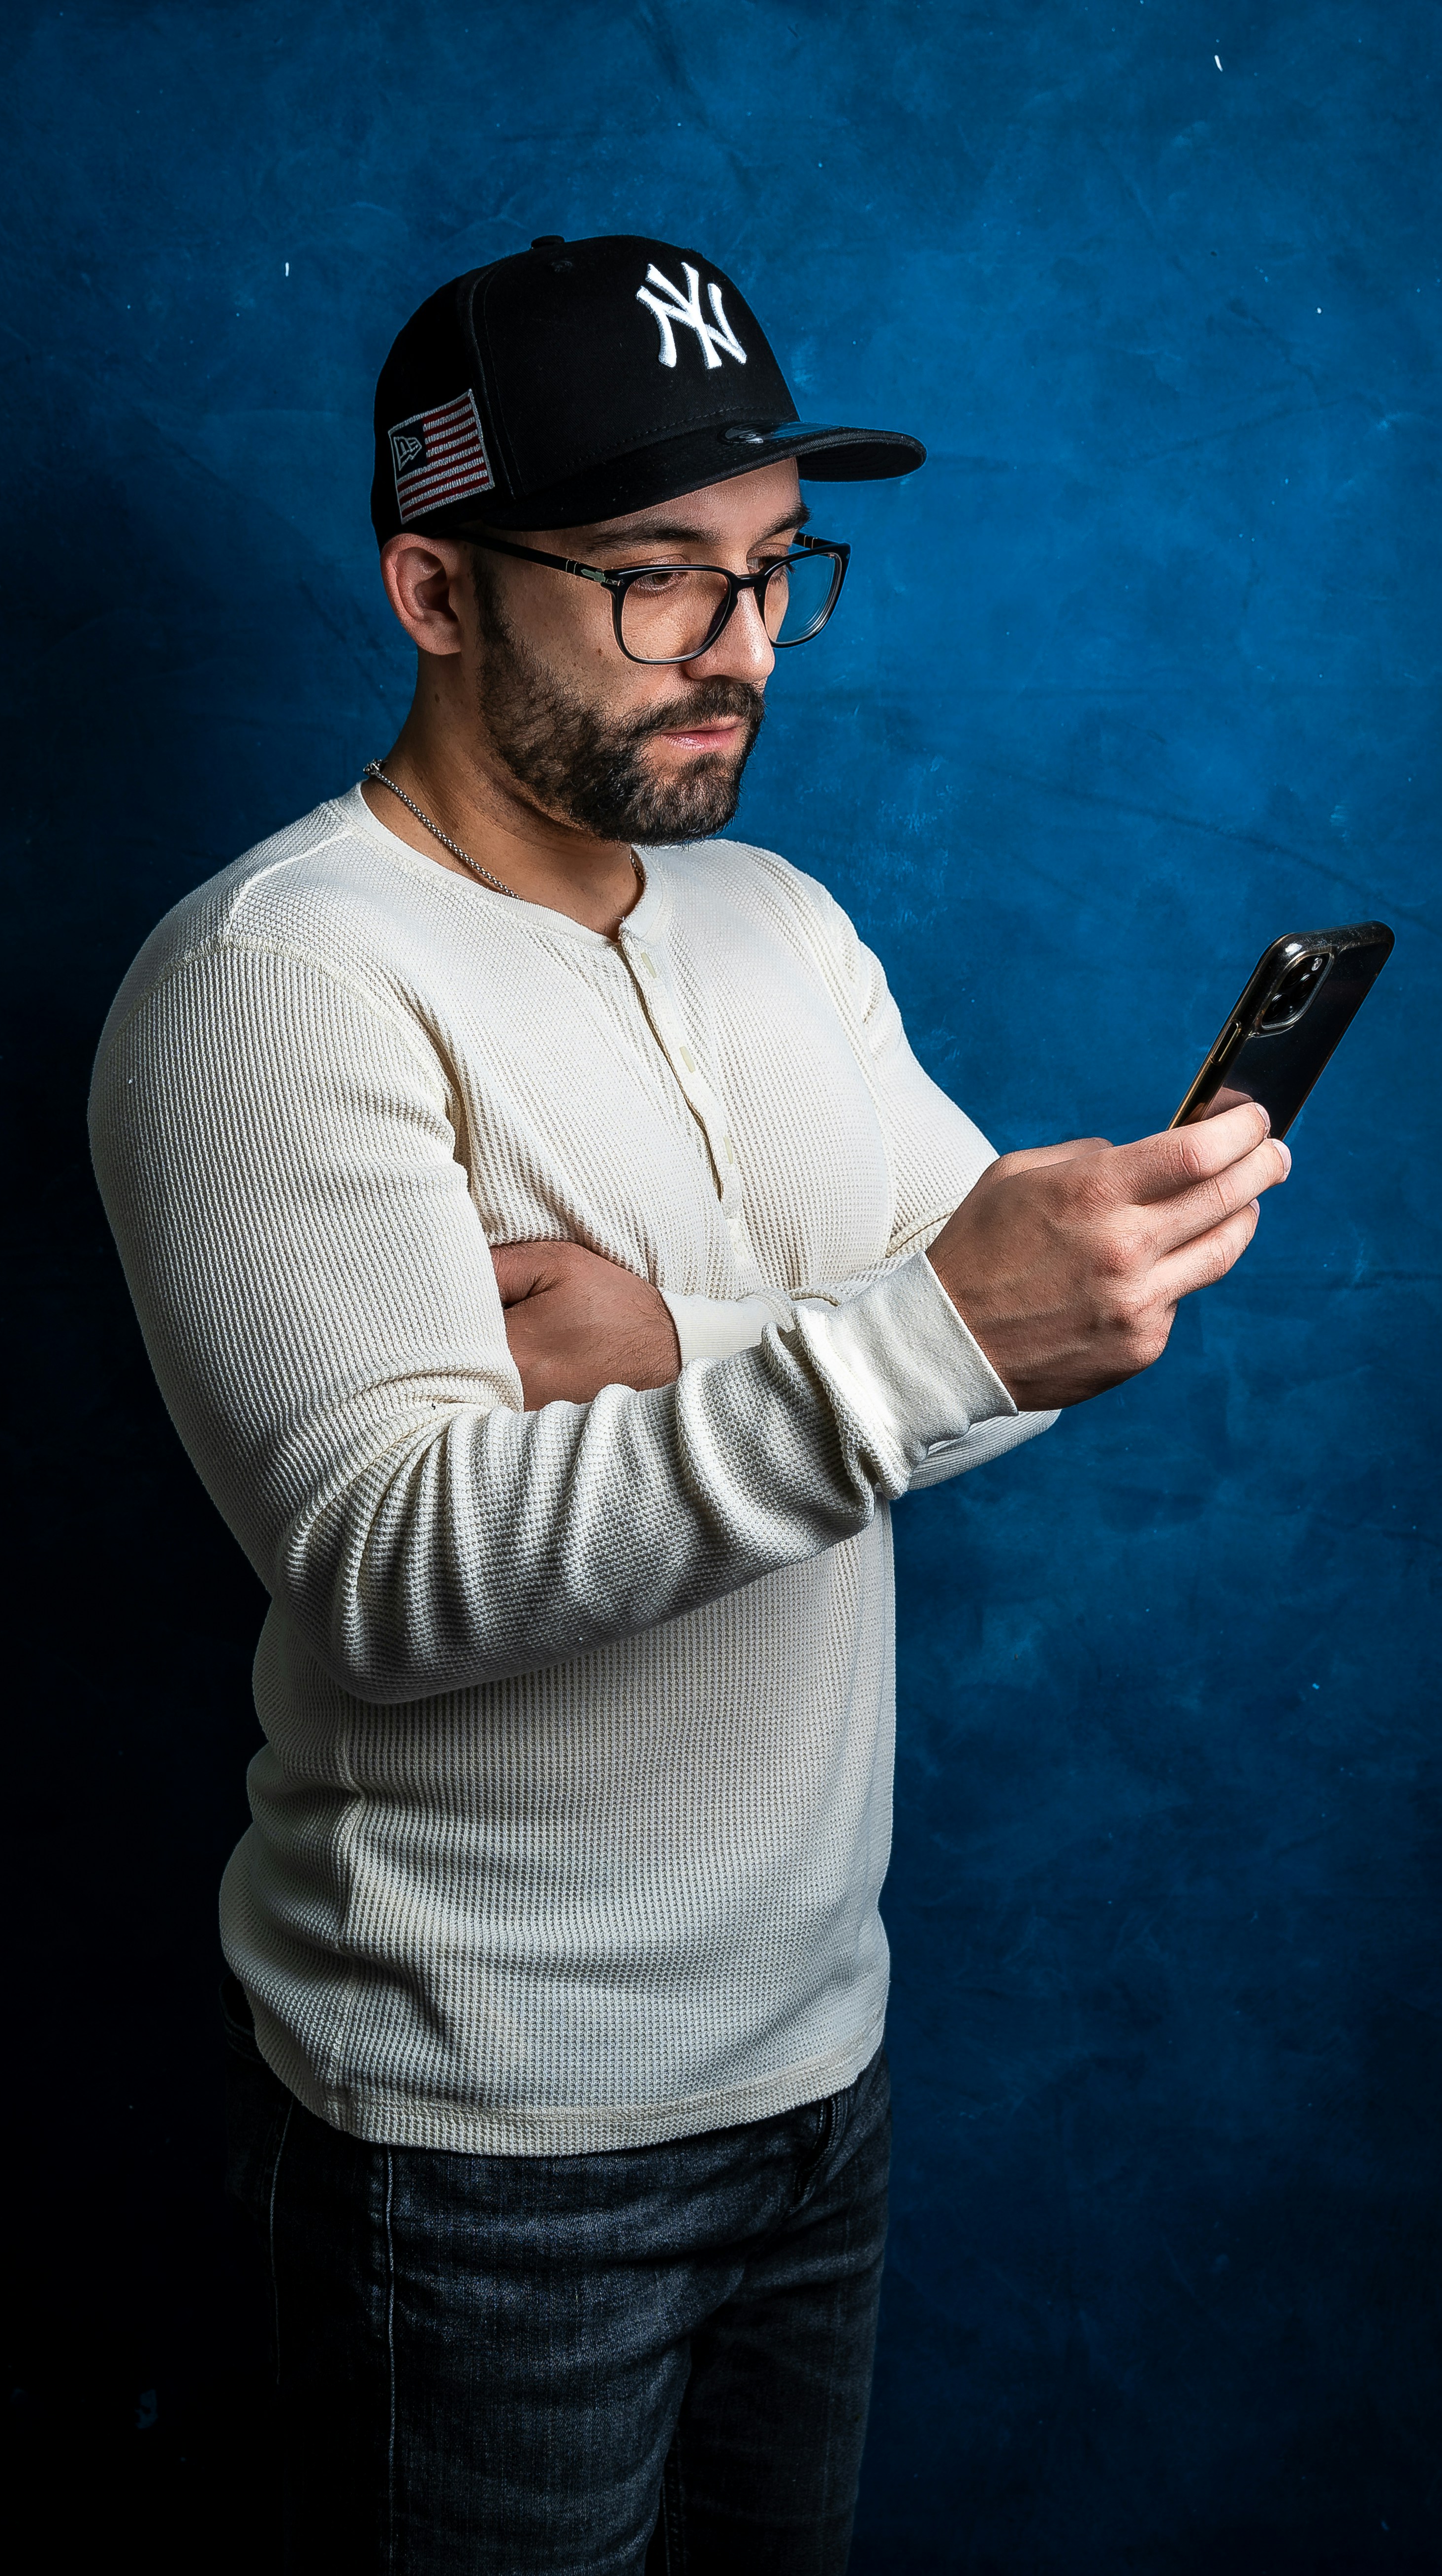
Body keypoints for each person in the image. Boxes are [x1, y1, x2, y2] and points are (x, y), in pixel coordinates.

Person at [89, 234, 1288, 2573]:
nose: (740, 649)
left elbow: (1004, 1367)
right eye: (653, 582)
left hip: (817, 2077)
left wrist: (702, 1345)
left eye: (769, 574)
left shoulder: (782, 927)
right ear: (434, 587)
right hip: (477, 2148)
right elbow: (402, 1573)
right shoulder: (276, 983)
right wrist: (908, 1331)